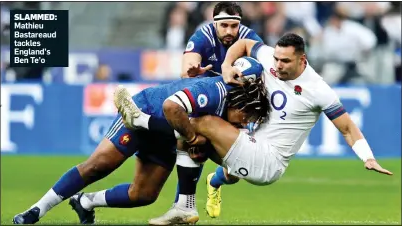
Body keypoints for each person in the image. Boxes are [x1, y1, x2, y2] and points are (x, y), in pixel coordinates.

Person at [118, 33, 393, 220]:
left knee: (201, 124)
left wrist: (367, 157)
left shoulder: (319, 90)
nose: (278, 65)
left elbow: (347, 128)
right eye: (276, 59)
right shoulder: (271, 58)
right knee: (202, 143)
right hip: (249, 139)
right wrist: (226, 66)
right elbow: (246, 44)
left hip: (268, 161)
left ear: (303, 61)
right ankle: (209, 186)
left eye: (285, 61)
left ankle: (143, 122)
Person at [12, 65, 269, 225]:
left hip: (169, 135)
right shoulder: (214, 91)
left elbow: (220, 156)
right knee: (98, 166)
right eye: (246, 117)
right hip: (149, 108)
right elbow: (171, 108)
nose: (244, 124)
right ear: (239, 104)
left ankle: (86, 202)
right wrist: (192, 140)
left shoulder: (231, 115)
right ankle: (36, 210)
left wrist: (226, 168)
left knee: (143, 195)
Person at [149, 2, 265, 224]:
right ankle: (183, 208)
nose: (230, 31)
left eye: (234, 26)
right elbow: (187, 69)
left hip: (235, 108)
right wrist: (194, 71)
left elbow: (260, 76)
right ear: (215, 24)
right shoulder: (203, 35)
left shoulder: (250, 39)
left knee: (238, 171)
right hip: (208, 101)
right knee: (193, 144)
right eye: (224, 26)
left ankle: (215, 182)